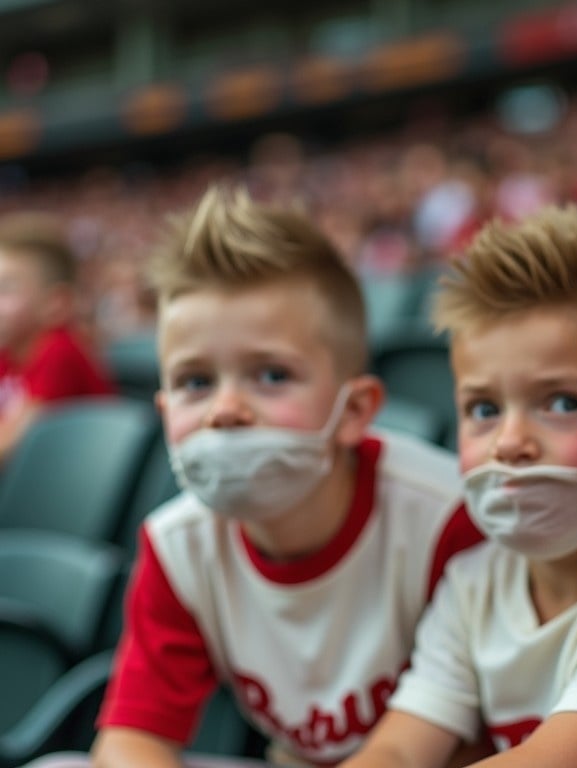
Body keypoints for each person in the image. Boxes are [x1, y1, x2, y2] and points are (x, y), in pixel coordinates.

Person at [31, 184, 483, 768]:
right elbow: (133, 737)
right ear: (165, 412)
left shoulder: (447, 516)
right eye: (196, 381)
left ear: (354, 411)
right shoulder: (178, 545)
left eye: (270, 375)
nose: (226, 409)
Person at [339, 205, 577, 768]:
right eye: (484, 408)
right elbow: (400, 746)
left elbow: (560, 758)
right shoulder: (472, 582)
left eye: (562, 404)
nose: (509, 442)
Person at [0, 211, 114, 461]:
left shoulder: (59, 351)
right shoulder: (8, 356)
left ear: (56, 304)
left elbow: (10, 443)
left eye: (5, 289)